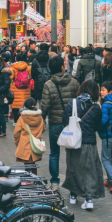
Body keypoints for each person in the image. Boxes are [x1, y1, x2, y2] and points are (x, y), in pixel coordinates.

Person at [61, 80, 106, 210]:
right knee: (89, 170)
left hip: (74, 142)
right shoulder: (96, 107)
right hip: (89, 143)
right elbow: (97, 125)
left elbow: (65, 120)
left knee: (73, 168)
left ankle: (73, 195)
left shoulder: (72, 102)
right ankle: (89, 199)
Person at [40, 55, 79, 190]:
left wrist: (42, 120)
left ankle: (55, 182)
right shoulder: (74, 83)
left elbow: (44, 106)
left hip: (55, 123)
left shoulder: (48, 85)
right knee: (72, 153)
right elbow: (78, 102)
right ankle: (72, 181)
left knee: (54, 153)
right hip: (71, 124)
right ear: (63, 67)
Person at [13, 96, 44, 174]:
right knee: (33, 166)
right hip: (36, 145)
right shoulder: (40, 118)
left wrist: (17, 143)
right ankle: (35, 182)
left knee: (27, 167)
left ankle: (28, 182)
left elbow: (16, 133)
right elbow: (43, 129)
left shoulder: (22, 118)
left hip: (25, 145)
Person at [9, 59, 32, 123]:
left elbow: (11, 77)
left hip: (15, 89)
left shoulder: (13, 67)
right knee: (25, 105)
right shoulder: (28, 68)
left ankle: (16, 121)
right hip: (26, 89)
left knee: (15, 106)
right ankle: (24, 121)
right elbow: (31, 76)